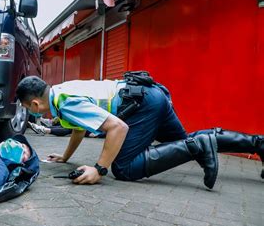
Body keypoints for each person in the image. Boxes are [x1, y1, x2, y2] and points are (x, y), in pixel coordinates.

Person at [16, 75, 264, 187]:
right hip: (150, 95)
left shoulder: (66, 104)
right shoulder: (61, 91)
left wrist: (99, 169)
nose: (33, 112)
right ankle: (258, 144)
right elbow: (80, 130)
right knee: (182, 144)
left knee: (123, 168)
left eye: (29, 108)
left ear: (34, 104)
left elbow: (118, 127)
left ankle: (200, 146)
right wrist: (66, 157)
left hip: (142, 105)